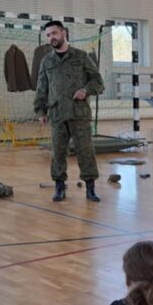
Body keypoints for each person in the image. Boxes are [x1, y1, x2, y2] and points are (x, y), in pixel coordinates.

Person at [33, 20, 105, 202]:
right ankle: (59, 187)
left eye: (54, 33)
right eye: (48, 35)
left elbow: (98, 82)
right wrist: (41, 111)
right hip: (57, 114)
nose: (51, 37)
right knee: (58, 153)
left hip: (79, 113)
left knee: (85, 151)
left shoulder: (81, 57)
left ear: (63, 33)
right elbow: (42, 88)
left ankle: (90, 188)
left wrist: (85, 90)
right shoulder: (47, 61)